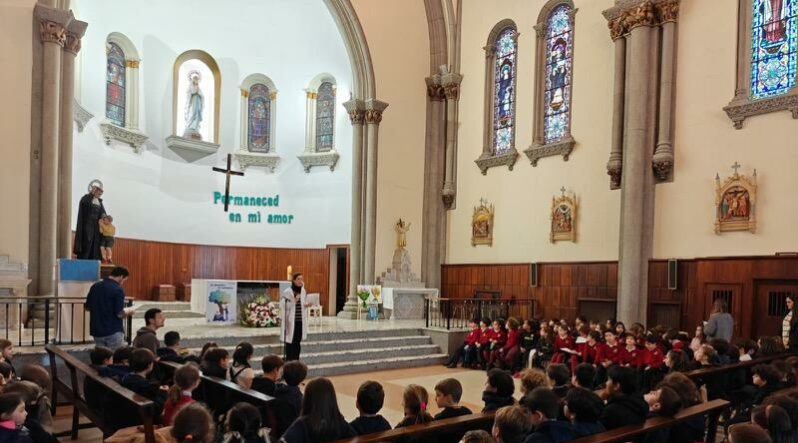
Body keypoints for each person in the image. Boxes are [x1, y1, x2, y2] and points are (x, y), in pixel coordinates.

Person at [280, 378, 356, 443]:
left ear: (307, 399)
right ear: (331, 399)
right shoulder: (340, 423)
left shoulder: (302, 425)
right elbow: (356, 439)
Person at [84, 266, 135, 350]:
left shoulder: (95, 286)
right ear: (121, 276)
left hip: (97, 330)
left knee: (102, 358)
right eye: (124, 280)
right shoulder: (118, 289)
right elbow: (119, 314)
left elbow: (87, 308)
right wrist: (130, 310)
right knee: (116, 358)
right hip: (113, 330)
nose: (122, 283)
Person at [121, 348, 168, 420]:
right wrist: (163, 392)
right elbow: (157, 409)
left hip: (128, 412)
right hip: (142, 419)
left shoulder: (126, 378)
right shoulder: (147, 385)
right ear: (149, 365)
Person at [599, 366, 648, 431]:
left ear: (616, 386)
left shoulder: (611, 410)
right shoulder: (640, 402)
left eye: (608, 380)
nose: (606, 383)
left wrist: (598, 401)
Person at [273, 361, 307, 437]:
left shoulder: (277, 390)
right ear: (302, 378)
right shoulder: (298, 398)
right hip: (291, 434)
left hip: (280, 431)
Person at [74, 181, 106, 260]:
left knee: (95, 247)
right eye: (98, 192)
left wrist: (105, 218)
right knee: (87, 245)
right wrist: (91, 194)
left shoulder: (100, 202)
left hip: (96, 228)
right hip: (87, 226)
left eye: (101, 193)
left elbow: (103, 214)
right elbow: (84, 205)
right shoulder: (86, 198)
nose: (99, 194)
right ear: (94, 190)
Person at [281, 273, 308, 361]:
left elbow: (303, 304)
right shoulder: (288, 291)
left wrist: (307, 304)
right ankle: (289, 361)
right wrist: (293, 302)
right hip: (291, 321)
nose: (300, 281)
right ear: (294, 280)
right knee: (290, 342)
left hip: (300, 321)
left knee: (297, 342)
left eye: (301, 279)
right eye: (298, 279)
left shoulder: (303, 291)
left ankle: (296, 361)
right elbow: (283, 306)